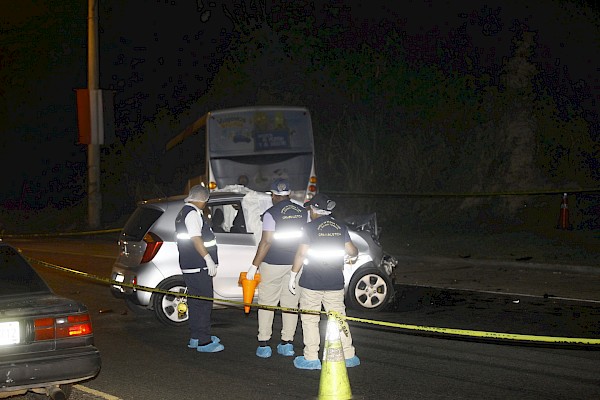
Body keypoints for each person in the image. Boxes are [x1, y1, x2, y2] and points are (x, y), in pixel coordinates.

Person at [288, 193, 360, 370]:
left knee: (310, 319)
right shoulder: (340, 227)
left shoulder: (309, 228)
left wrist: (292, 275)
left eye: (310, 208)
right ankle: (349, 354)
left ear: (314, 209)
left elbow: (301, 253)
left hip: (312, 282)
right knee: (338, 318)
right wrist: (353, 256)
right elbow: (352, 251)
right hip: (335, 282)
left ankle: (312, 358)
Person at [246, 178, 308, 358]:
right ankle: (287, 343)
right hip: (295, 265)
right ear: (288, 194)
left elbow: (266, 242)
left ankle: (264, 343)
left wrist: (254, 266)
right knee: (290, 304)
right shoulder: (302, 212)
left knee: (267, 303)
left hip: (272, 264)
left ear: (273, 195)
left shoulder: (270, 214)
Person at [175, 185, 224, 353]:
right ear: (203, 199)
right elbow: (196, 239)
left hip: (191, 265)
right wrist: (208, 259)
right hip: (198, 265)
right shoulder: (192, 213)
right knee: (204, 302)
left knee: (195, 302)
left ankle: (196, 337)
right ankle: (204, 341)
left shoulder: (184, 212)